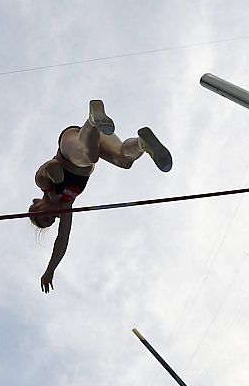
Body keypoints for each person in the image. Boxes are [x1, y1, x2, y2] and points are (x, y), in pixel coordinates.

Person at [31, 99, 172, 293]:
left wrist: (56, 191)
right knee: (124, 159)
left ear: (37, 205)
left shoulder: (43, 184)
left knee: (87, 157)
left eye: (46, 217)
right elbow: (62, 240)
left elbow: (53, 168)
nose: (54, 218)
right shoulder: (66, 206)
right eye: (51, 222)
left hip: (72, 141)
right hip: (94, 142)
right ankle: (143, 144)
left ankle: (92, 121)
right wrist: (50, 270)